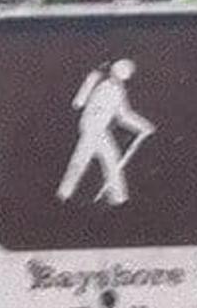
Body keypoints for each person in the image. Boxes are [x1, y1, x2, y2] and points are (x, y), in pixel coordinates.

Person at [56, 55, 153, 210]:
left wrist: (142, 125)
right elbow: (78, 103)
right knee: (88, 161)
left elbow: (123, 116)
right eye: (122, 68)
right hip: (90, 127)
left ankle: (118, 200)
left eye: (127, 71)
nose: (123, 72)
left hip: (99, 130)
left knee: (103, 160)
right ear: (114, 68)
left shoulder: (119, 91)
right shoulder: (98, 80)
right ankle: (64, 197)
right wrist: (90, 82)